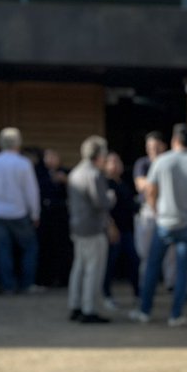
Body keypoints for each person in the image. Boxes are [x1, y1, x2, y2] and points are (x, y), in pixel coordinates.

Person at [130, 124, 187, 327]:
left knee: (152, 267)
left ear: (174, 140)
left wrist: (156, 211)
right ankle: (176, 315)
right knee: (182, 272)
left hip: (164, 223)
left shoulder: (162, 161)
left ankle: (145, 311)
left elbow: (150, 190)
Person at [0, 127, 41, 294]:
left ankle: (8, 285)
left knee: (3, 250)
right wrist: (35, 213)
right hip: (19, 212)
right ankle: (27, 284)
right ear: (18, 143)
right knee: (30, 248)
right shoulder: (23, 163)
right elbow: (31, 191)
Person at [67, 135, 115, 324]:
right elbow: (101, 203)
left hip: (78, 227)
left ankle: (75, 305)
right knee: (93, 270)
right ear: (99, 155)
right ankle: (89, 309)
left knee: (79, 267)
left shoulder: (75, 172)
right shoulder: (94, 174)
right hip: (93, 228)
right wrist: (111, 197)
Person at [102, 151, 140, 306]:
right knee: (109, 264)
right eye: (112, 162)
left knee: (133, 261)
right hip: (113, 231)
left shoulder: (123, 183)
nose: (116, 165)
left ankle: (138, 293)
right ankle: (106, 295)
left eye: (118, 161)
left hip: (127, 230)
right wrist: (111, 226)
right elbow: (104, 209)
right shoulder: (105, 183)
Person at [132, 130, 167, 280]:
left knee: (170, 252)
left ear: (164, 146)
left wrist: (151, 184)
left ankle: (170, 285)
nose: (153, 150)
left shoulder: (168, 162)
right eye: (150, 147)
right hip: (147, 211)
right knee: (145, 251)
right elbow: (140, 185)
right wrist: (161, 184)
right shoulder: (142, 163)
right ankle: (145, 283)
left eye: (156, 147)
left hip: (166, 209)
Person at [37, 147, 72, 288]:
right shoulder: (39, 173)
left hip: (62, 215)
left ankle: (63, 278)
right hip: (45, 215)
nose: (51, 160)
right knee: (46, 248)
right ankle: (46, 279)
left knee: (63, 248)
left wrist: (66, 181)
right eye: (48, 157)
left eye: (54, 156)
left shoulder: (66, 173)